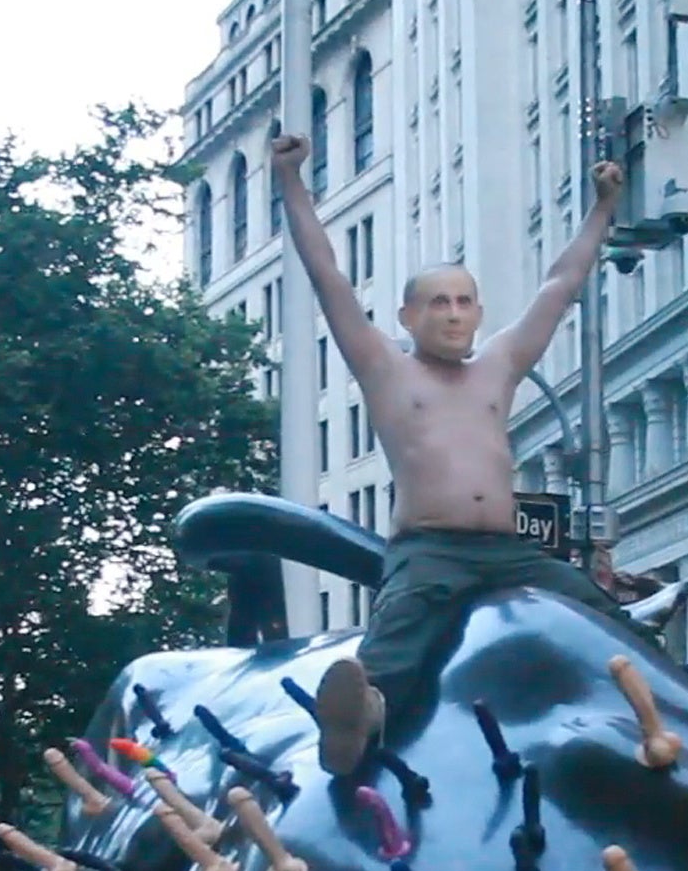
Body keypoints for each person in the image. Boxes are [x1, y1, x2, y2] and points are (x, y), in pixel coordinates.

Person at [269, 133, 659, 776]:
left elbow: (562, 284)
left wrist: (603, 209)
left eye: (463, 302)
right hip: (429, 550)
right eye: (436, 303)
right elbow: (327, 276)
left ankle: (663, 713)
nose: (452, 315)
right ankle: (353, 721)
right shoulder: (385, 368)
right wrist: (291, 182)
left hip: (508, 552)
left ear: (479, 312)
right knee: (393, 649)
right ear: (408, 314)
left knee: (607, 621)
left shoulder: (498, 366)